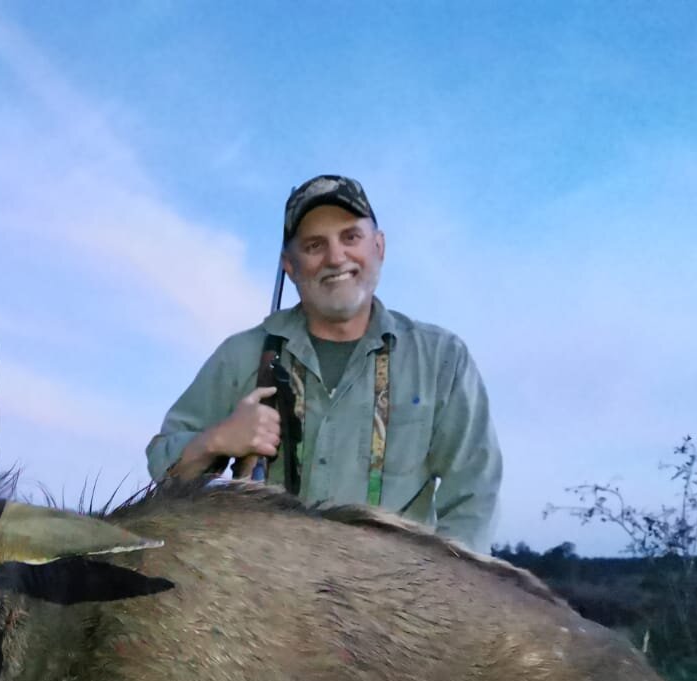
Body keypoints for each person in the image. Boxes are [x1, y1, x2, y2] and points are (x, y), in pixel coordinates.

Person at [145, 174, 502, 553]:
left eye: (351, 238)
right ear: (289, 265)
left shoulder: (441, 358)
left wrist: (440, 597)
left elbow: (474, 494)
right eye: (314, 245)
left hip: (397, 599)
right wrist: (218, 440)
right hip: (268, 592)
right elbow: (163, 467)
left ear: (379, 247)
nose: (335, 258)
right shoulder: (242, 355)